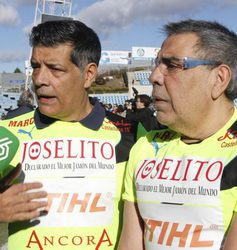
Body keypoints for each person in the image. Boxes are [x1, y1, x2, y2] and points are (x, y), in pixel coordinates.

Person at [0, 20, 136, 250]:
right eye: (35, 66)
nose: (40, 79)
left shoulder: (131, 136)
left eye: (55, 69)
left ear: (89, 74)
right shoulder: (7, 132)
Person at [118, 19, 237, 250]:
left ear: (219, 79)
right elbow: (130, 243)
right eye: (157, 64)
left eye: (172, 65)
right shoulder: (146, 146)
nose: (154, 76)